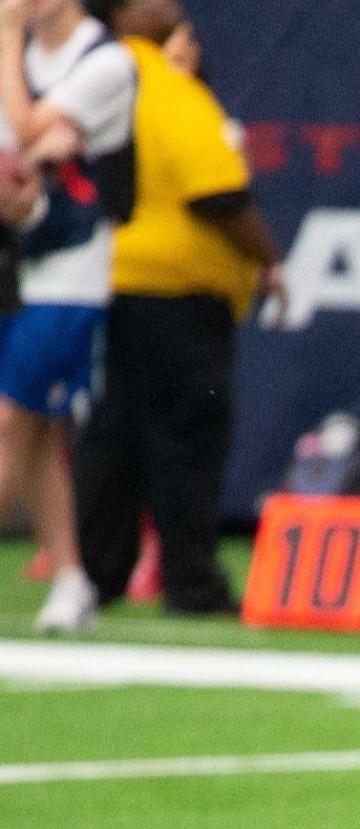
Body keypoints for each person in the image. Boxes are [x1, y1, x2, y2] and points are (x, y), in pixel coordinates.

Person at [71, 0, 280, 614]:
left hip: (104, 278)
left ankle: (97, 576)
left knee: (110, 434)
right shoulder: (159, 82)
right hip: (175, 294)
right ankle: (190, 580)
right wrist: (270, 259)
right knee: (185, 435)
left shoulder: (85, 74)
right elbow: (216, 192)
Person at [0, 0, 133, 631]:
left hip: (67, 273)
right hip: (11, 262)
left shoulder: (104, 62)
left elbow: (28, 133)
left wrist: (3, 33)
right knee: (39, 438)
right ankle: (72, 577)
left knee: (9, 423)